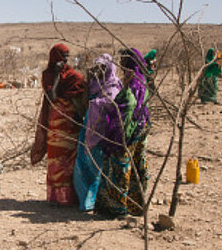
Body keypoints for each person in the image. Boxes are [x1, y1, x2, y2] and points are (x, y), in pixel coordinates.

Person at [94, 48, 151, 218]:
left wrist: (116, 137)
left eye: (124, 62)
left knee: (120, 167)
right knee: (137, 165)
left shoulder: (133, 84)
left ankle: (116, 208)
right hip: (140, 129)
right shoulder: (142, 82)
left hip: (127, 132)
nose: (122, 65)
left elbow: (127, 108)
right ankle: (136, 206)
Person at [30, 43, 86, 206]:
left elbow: (81, 92)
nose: (66, 59)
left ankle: (71, 196)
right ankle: (56, 197)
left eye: (67, 56)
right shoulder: (48, 75)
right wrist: (56, 76)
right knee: (56, 159)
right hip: (55, 123)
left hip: (71, 123)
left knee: (70, 159)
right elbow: (52, 96)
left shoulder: (73, 75)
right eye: (63, 56)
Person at [73, 54, 121, 212]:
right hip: (88, 127)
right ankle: (83, 200)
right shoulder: (94, 84)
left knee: (96, 165)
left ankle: (92, 201)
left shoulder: (112, 85)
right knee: (83, 162)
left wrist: (95, 104)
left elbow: (111, 104)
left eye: (102, 68)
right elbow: (85, 99)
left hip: (101, 131)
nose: (98, 71)